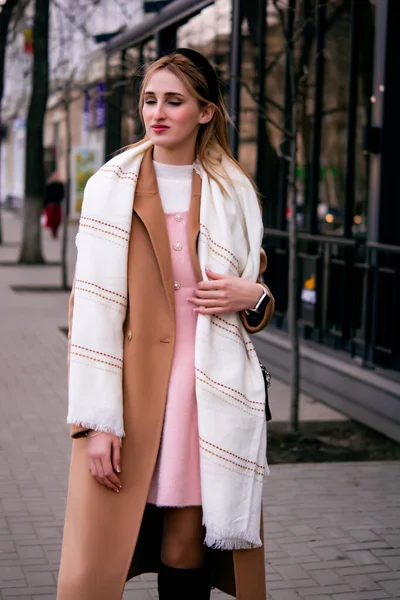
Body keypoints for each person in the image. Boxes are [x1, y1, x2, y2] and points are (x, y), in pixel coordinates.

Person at [57, 48, 275, 600]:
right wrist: (95, 423)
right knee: (103, 556)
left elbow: (254, 295)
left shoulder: (234, 193)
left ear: (205, 112)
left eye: (174, 101)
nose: (157, 112)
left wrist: (254, 294)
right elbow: (90, 310)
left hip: (208, 389)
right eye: (150, 100)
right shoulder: (110, 187)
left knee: (185, 544)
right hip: (128, 391)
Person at [43, 171, 64, 238]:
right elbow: (46, 195)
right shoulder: (49, 184)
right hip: (51, 204)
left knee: (58, 219)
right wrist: (45, 205)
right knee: (52, 220)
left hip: (57, 204)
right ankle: (53, 232)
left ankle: (55, 231)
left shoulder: (60, 185)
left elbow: (62, 194)